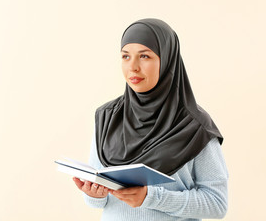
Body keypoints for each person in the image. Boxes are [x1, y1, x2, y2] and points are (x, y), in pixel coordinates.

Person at [73, 18, 228, 221]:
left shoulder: (194, 125)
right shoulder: (107, 116)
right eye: (125, 56)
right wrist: (94, 194)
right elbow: (99, 200)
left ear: (166, 60)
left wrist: (152, 197)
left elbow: (217, 204)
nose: (133, 67)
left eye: (144, 56)